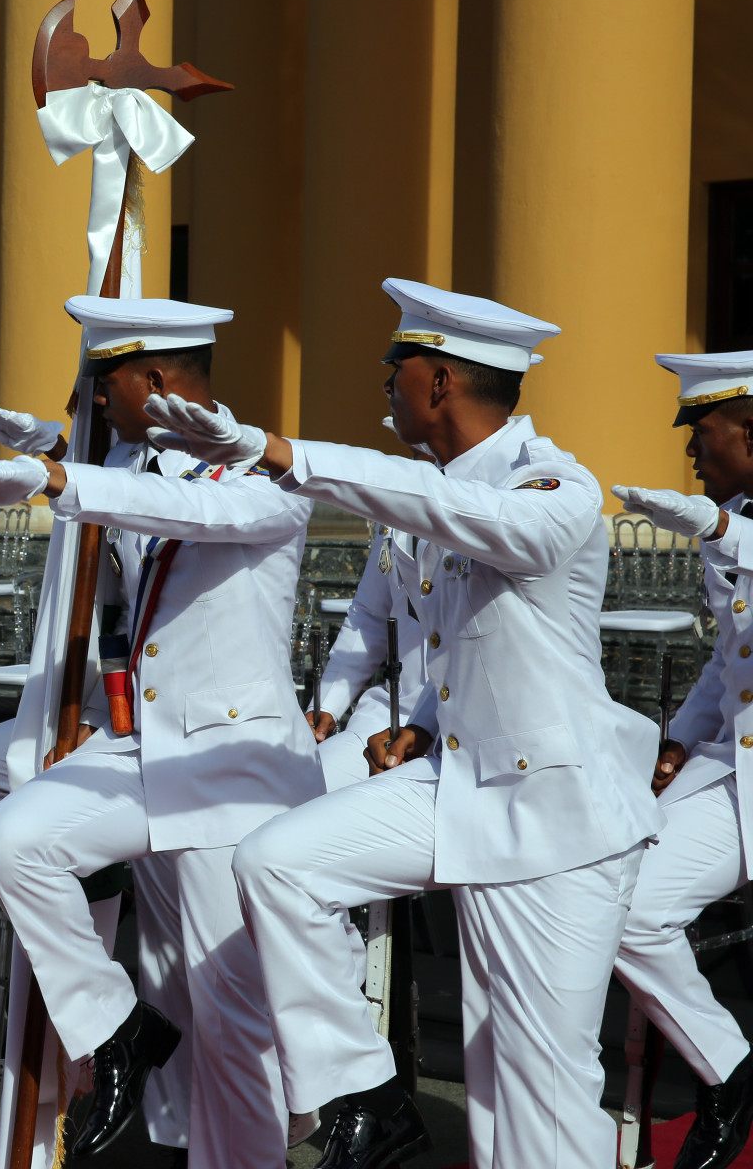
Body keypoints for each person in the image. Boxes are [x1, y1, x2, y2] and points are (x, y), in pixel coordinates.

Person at [148, 278, 666, 1169]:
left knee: (533, 1107)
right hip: (464, 787)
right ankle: (364, 1092)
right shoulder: (443, 491)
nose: (385, 387)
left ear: (440, 382)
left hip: (559, 820)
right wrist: (423, 721)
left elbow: (490, 527)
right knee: (277, 862)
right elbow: (475, 645)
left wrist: (277, 451)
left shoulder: (553, 485)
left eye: (397, 371)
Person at [0, 296, 319, 1169]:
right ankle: (115, 1029)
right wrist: (53, 453)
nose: (95, 400)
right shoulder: (129, 461)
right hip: (147, 749)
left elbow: (186, 512)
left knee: (227, 1009)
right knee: (12, 842)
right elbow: (122, 501)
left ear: (153, 379)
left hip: (233, 768)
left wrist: (55, 480)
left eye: (103, 383)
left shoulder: (261, 475)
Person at [606, 349, 753, 1169]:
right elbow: (728, 664)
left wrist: (724, 530)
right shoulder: (726, 520)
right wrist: (678, 740)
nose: (691, 452)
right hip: (732, 769)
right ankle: (730, 1069)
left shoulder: (726, 526)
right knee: (623, 902)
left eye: (703, 433)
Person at [310, 498, 429, 791]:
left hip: (463, 730)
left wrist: (428, 726)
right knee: (296, 786)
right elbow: (370, 614)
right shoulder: (397, 495)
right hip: (387, 718)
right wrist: (327, 703)